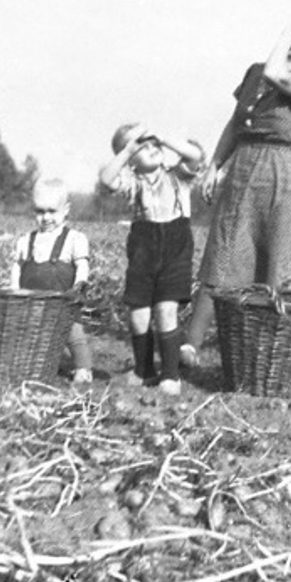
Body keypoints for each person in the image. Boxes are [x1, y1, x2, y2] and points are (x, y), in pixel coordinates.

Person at [180, 17, 291, 368]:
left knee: (281, 256)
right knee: (226, 248)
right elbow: (235, 122)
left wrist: (283, 37)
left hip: (284, 171)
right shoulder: (254, 73)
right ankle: (191, 344)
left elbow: (278, 74)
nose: (290, 37)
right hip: (245, 166)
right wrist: (216, 165)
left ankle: (277, 349)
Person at [99, 123, 204, 396]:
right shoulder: (132, 183)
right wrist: (127, 150)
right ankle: (143, 370)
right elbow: (107, 179)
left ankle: (171, 375)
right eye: (141, 146)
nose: (151, 148)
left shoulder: (177, 176)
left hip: (175, 246)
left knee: (166, 310)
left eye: (153, 143)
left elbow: (195, 156)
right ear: (130, 158)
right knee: (138, 314)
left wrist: (164, 137)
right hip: (143, 248)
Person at [10, 177, 93, 384]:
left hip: (64, 301)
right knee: (29, 334)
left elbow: (82, 265)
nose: (46, 217)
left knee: (73, 333)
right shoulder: (25, 240)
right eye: (40, 211)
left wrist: (80, 284)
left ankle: (83, 368)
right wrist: (14, 290)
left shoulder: (74, 239)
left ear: (66, 210)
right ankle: (30, 365)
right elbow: (17, 267)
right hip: (31, 301)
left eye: (52, 211)